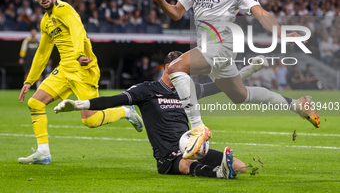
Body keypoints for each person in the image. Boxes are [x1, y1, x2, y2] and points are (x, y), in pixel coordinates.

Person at [145, 0, 320, 159]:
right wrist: (160, 0)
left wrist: (281, 32)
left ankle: (198, 128)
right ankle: (298, 106)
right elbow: (176, 13)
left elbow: (260, 11)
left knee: (175, 67)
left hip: (221, 47)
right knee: (241, 96)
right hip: (208, 49)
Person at [55, 51, 271, 178]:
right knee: (187, 166)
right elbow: (112, 100)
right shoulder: (146, 90)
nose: (185, 73)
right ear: (168, 67)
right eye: (181, 69)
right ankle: (218, 173)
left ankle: (223, 168)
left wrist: (250, 70)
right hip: (168, 156)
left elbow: (222, 86)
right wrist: (76, 105)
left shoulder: (187, 90)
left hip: (192, 147)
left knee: (241, 166)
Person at [18, 0, 142, 165]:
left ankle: (126, 111)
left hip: (83, 68)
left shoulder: (64, 9)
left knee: (90, 121)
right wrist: (29, 80)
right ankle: (43, 152)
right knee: (35, 103)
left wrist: (77, 55)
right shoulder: (45, 21)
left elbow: (78, 31)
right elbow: (42, 52)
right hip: (64, 70)